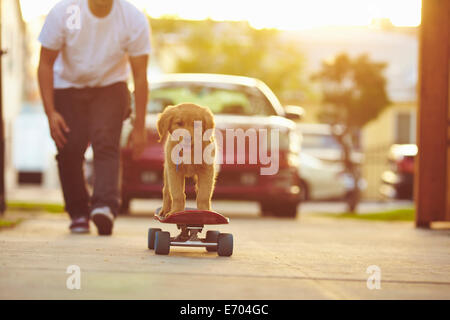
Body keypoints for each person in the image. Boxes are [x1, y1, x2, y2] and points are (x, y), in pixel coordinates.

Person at [37, 0, 150, 235]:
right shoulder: (64, 12)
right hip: (68, 86)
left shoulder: (132, 19)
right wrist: (50, 112)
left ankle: (105, 207)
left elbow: (140, 76)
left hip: (110, 86)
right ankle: (78, 212)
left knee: (105, 142)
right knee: (69, 146)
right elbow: (45, 64)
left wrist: (139, 127)